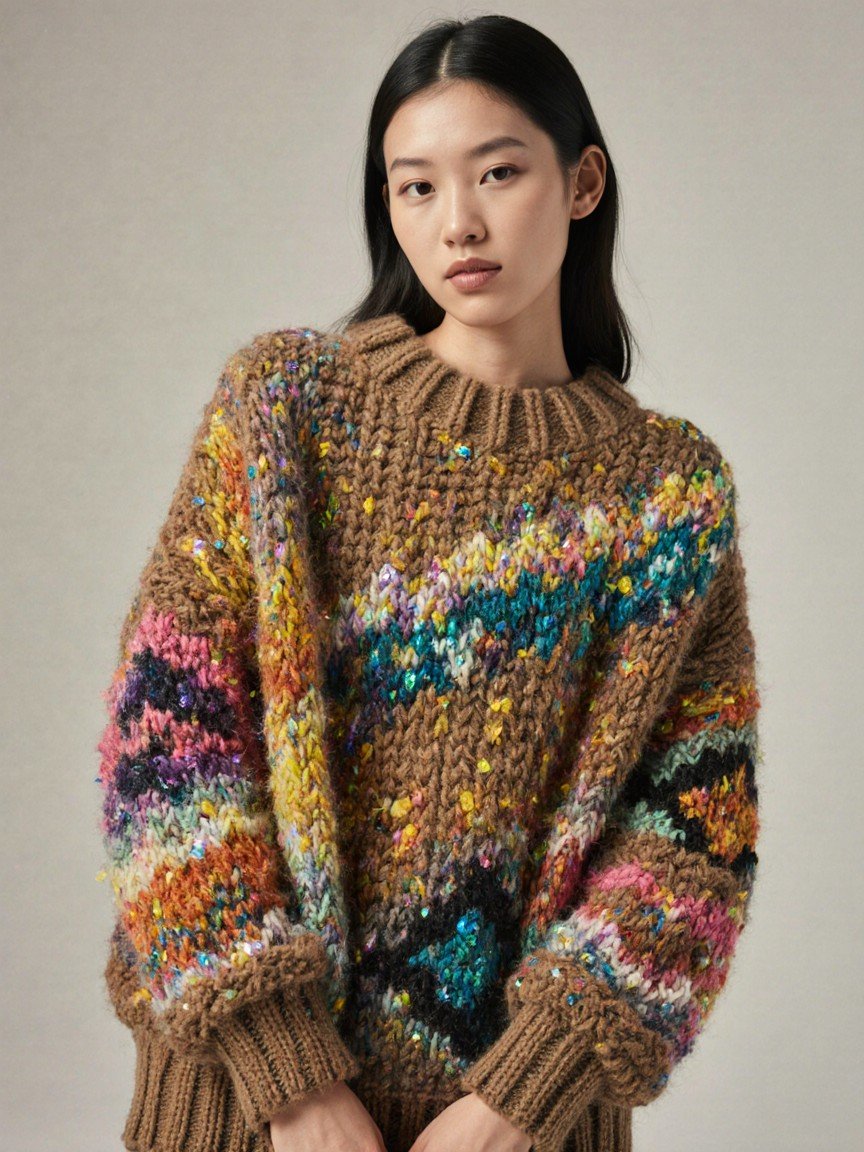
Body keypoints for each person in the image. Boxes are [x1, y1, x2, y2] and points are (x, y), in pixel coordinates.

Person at [95, 13, 762, 1152]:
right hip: (247, 1112)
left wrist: (521, 1100)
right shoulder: (282, 411)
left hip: (521, 1130)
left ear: (583, 180)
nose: (457, 222)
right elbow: (169, 742)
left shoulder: (667, 491)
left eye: (499, 171)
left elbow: (695, 828)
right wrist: (288, 1077)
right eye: (414, 187)